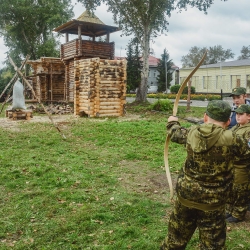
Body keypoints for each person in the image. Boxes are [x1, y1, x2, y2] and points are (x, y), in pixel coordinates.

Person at [160, 100, 250, 250]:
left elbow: (175, 133)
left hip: (186, 197)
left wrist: (172, 122)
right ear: (228, 121)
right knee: (212, 246)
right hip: (214, 202)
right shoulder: (234, 139)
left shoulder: (191, 133)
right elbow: (245, 156)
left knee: (174, 242)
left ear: (205, 117)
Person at [226, 104, 250, 223]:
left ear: (249, 116)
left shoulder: (248, 130)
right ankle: (230, 210)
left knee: (240, 189)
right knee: (231, 188)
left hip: (242, 166)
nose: (238, 116)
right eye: (237, 114)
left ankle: (239, 213)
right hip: (232, 164)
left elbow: (247, 149)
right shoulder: (236, 127)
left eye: (241, 114)